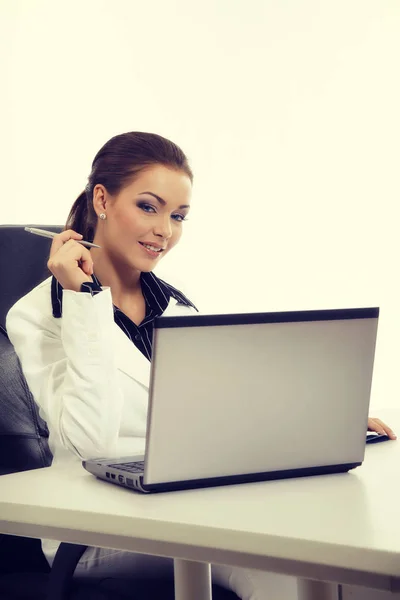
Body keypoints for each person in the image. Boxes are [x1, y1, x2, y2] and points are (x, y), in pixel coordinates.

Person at [6, 131, 396, 600]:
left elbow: (220, 416)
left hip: (192, 503)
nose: (165, 231)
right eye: (149, 207)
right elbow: (92, 441)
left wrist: (325, 427)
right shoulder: (38, 314)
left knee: (354, 568)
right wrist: (83, 299)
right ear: (103, 199)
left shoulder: (178, 308)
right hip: (99, 525)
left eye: (178, 216)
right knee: (280, 568)